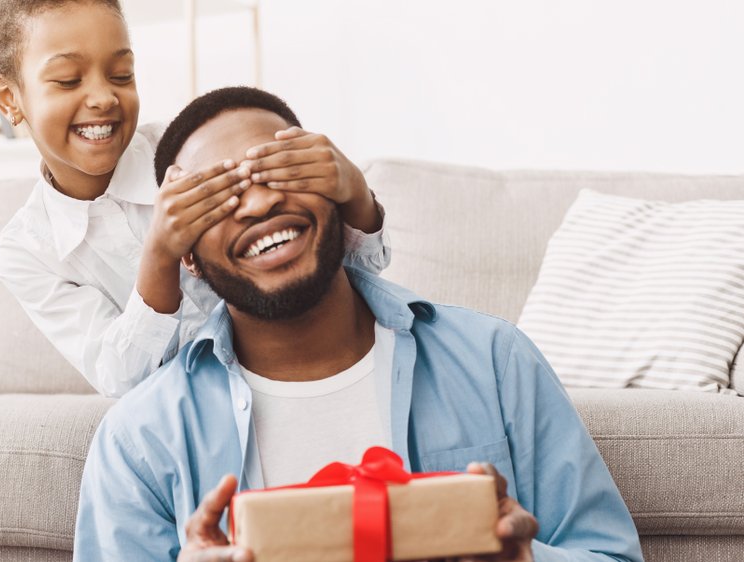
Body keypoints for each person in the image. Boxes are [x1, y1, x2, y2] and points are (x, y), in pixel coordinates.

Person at [73, 87, 644, 562]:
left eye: (278, 169)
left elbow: (612, 553)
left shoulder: (495, 362)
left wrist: (523, 559)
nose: (257, 205)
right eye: (217, 198)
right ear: (188, 256)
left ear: (335, 188)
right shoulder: (139, 442)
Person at [0, 0, 389, 397]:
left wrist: (352, 191)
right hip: (190, 411)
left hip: (300, 369)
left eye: (121, 74)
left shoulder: (191, 149)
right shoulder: (25, 250)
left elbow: (362, 266)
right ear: (10, 99)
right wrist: (161, 255)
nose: (103, 97)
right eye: (68, 80)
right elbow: (121, 379)